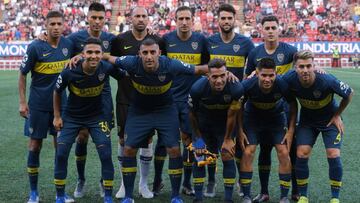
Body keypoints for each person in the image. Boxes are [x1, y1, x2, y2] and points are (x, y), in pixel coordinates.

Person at [103, 38, 209, 203]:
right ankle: (129, 196)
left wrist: (223, 71)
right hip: (139, 111)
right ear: (139, 54)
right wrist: (85, 56)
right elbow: (109, 58)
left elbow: (198, 69)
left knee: (174, 150)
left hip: (165, 111)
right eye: (145, 53)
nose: (149, 56)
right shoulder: (131, 62)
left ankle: (175, 196)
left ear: (159, 53)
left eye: (153, 52)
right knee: (129, 149)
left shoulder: (171, 64)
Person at [53, 37, 126, 203]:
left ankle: (108, 197)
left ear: (102, 54)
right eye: (90, 52)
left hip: (97, 117)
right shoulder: (70, 71)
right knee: (62, 153)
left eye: (97, 52)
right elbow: (56, 92)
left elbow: (124, 77)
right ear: (83, 54)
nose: (94, 56)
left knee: (105, 153)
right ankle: (60, 197)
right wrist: (57, 116)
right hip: (72, 117)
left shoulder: (106, 67)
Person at [282, 50, 354, 203]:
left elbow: (349, 93)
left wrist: (337, 115)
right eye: (301, 67)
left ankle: (335, 198)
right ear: (295, 67)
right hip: (307, 121)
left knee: (333, 154)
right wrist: (254, 73)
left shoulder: (326, 80)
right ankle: (303, 196)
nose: (305, 70)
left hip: (330, 121)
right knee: (301, 154)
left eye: (309, 66)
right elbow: (274, 82)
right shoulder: (289, 79)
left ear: (314, 65)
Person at [152, 5, 209, 197]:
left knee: (193, 141)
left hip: (192, 101)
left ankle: (188, 183)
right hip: (167, 99)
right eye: (180, 19)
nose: (184, 22)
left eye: (187, 19)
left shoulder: (201, 40)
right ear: (175, 20)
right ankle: (158, 180)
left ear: (193, 20)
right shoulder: (166, 40)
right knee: (163, 141)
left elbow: (210, 66)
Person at [18, 11, 74, 203]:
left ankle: (60, 193)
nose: (56, 27)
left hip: (62, 106)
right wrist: (22, 102)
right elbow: (23, 73)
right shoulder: (35, 47)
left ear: (64, 24)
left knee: (61, 147)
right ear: (46, 25)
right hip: (38, 106)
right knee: (34, 146)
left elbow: (88, 49)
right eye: (53, 24)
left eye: (59, 23)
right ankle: (33, 193)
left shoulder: (68, 44)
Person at [110, 6, 166, 199]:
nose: (141, 19)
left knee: (147, 140)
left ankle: (143, 184)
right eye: (137, 16)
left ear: (148, 19)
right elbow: (112, 64)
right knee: (123, 140)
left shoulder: (157, 41)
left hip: (149, 100)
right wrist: (123, 75)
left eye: (144, 16)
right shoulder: (120, 40)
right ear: (130, 18)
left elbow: (164, 65)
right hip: (125, 98)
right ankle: (124, 185)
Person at [244, 15, 299, 202]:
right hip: (259, 108)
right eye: (266, 28)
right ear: (262, 30)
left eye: (273, 27)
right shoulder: (255, 53)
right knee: (265, 150)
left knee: (290, 150)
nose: (270, 31)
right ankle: (264, 192)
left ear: (279, 29)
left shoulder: (290, 51)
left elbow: (305, 62)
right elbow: (247, 78)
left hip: (281, 108)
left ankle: (295, 191)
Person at [66, 3, 117, 198]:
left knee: (104, 140)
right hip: (80, 98)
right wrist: (42, 36)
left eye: (100, 18)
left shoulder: (111, 39)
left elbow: (136, 44)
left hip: (103, 97)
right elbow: (58, 45)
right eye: (93, 17)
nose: (97, 21)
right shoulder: (74, 38)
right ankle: (81, 179)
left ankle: (105, 182)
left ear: (105, 19)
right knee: (82, 137)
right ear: (87, 17)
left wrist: (149, 31)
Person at [206, 3, 254, 197]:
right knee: (210, 147)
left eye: (229, 18)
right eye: (223, 18)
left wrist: (243, 81)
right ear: (217, 20)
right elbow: (203, 68)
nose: (226, 21)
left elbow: (252, 70)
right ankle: (210, 181)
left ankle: (242, 184)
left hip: (237, 103)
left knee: (239, 145)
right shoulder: (208, 42)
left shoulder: (246, 43)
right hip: (212, 102)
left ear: (235, 20)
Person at [239, 58, 297, 203]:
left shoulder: (282, 84)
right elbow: (238, 107)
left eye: (271, 75)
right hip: (253, 119)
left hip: (275, 120)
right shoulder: (247, 84)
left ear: (275, 74)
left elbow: (293, 104)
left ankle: (284, 197)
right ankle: (246, 195)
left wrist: (290, 131)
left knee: (284, 152)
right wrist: (239, 130)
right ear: (257, 72)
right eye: (264, 75)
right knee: (248, 151)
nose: (267, 79)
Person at [188, 58, 244, 202]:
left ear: (227, 74)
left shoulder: (236, 88)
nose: (219, 80)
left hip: (224, 125)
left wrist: (228, 139)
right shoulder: (197, 89)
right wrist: (198, 140)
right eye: (214, 77)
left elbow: (232, 115)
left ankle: (228, 198)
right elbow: (192, 115)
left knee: (227, 154)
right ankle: (198, 198)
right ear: (208, 76)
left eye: (222, 76)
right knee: (200, 156)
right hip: (203, 125)